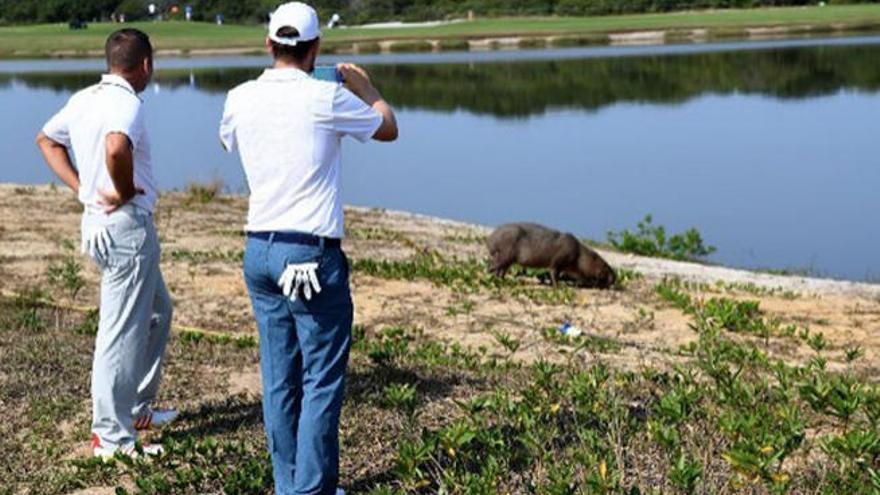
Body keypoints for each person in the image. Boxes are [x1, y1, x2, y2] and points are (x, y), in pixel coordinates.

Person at [219, 2, 398, 494]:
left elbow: (227, 142)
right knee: (321, 376)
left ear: (269, 45)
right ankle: (312, 489)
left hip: (259, 250)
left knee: (279, 375)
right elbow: (387, 127)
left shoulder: (239, 97)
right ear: (314, 48)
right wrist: (366, 89)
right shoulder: (326, 97)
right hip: (310, 255)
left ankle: (288, 483)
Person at [35, 28, 177, 459]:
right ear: (146, 65)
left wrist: (81, 187)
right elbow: (116, 149)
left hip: (97, 223)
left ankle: (135, 409)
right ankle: (111, 439)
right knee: (120, 333)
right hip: (125, 228)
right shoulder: (125, 103)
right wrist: (125, 188)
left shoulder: (84, 99)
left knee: (158, 311)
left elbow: (47, 139)